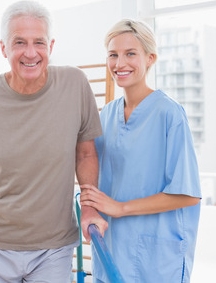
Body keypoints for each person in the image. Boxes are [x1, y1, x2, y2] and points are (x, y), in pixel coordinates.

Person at [0, 0, 107, 283]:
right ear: (3, 48)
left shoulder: (75, 84)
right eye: (19, 42)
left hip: (54, 246)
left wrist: (88, 207)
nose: (30, 53)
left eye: (39, 42)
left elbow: (86, 153)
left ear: (50, 46)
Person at [80, 19, 202, 283]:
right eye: (113, 54)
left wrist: (120, 207)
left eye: (130, 54)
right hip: (112, 249)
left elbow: (188, 194)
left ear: (150, 58)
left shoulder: (170, 114)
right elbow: (93, 168)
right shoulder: (108, 115)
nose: (119, 63)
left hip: (157, 259)